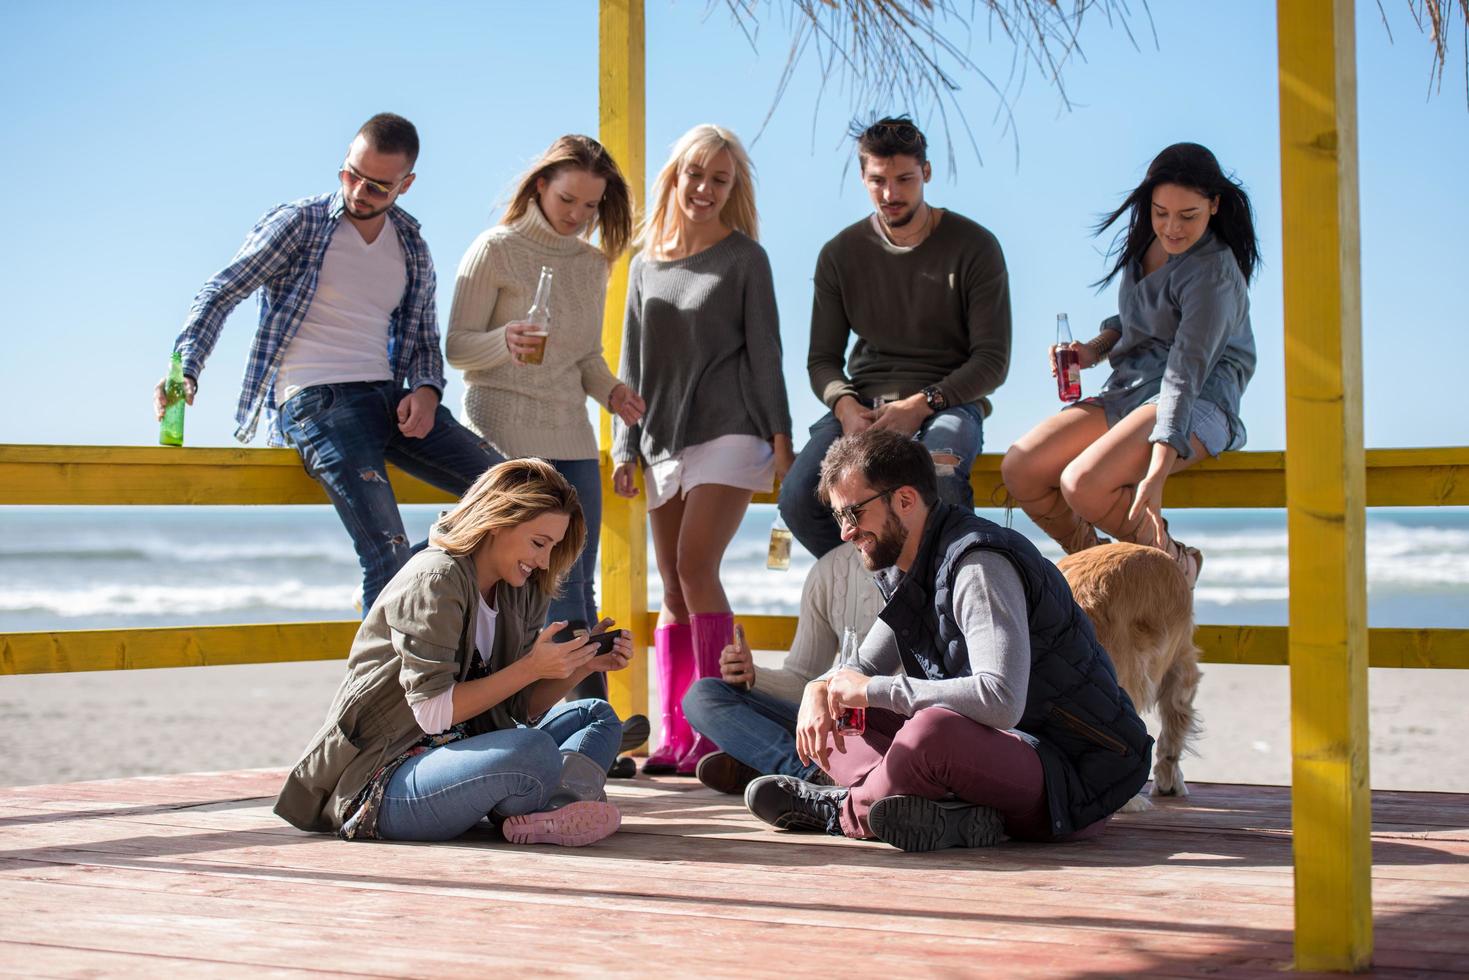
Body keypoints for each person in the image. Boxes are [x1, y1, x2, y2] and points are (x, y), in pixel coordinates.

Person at [744, 429, 1153, 853]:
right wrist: (820, 688)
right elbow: (860, 670)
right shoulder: (910, 572)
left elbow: (1000, 699)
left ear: (905, 500)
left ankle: (841, 811)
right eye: (839, 518)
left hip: (1071, 778)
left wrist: (870, 690)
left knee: (929, 732)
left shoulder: (977, 565)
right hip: (998, 759)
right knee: (838, 716)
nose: (846, 533)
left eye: (854, 514)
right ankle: (954, 815)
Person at [155, 113, 501, 613]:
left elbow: (424, 339)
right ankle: (378, 690)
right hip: (316, 399)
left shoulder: (410, 245)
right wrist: (187, 366)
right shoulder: (300, 223)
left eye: (378, 186)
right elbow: (220, 291)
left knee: (515, 489)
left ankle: (433, 566)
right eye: (350, 174)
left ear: (406, 184)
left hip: (388, 398)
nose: (359, 191)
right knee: (386, 553)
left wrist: (426, 391)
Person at [274, 458, 632, 846]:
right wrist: (531, 667)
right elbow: (431, 713)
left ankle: (552, 809)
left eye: (553, 547)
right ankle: (556, 802)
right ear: (499, 520)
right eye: (538, 543)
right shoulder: (436, 578)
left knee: (597, 715)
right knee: (535, 751)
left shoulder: (522, 587)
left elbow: (516, 708)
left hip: (461, 752)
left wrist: (579, 667)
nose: (544, 561)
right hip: (388, 776)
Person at [444, 134, 648, 746]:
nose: (578, 215)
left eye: (591, 206)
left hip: (571, 428)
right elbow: (456, 346)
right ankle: (521, 721)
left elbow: (585, 356)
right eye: (568, 200)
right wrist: (503, 338)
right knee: (518, 573)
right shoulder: (494, 250)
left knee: (576, 578)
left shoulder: (593, 264)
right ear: (540, 185)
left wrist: (611, 391)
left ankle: (595, 729)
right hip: (501, 418)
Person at [611, 124, 794, 775]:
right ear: (676, 176)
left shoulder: (746, 257)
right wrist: (622, 447)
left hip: (732, 429)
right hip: (661, 438)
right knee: (672, 585)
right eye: (697, 175)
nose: (706, 189)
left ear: (731, 189)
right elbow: (629, 367)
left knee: (694, 566)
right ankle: (674, 734)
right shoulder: (643, 264)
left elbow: (766, 351)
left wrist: (781, 439)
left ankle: (716, 726)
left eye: (720, 180)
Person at [1000, 143, 1259, 587]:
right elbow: (1135, 320)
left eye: (1188, 215)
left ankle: (1178, 565)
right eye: (1161, 213)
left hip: (1199, 397)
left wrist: (1156, 474)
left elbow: (1185, 372)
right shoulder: (1146, 244)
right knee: (1020, 469)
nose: (1172, 228)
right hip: (1134, 387)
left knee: (1083, 484)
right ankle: (1104, 576)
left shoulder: (1213, 272)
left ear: (1214, 206)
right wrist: (1092, 351)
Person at [777, 115, 1012, 560]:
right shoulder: (839, 254)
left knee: (939, 476)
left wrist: (920, 405)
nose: (891, 193)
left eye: (904, 178)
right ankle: (878, 592)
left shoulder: (976, 245)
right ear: (862, 178)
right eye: (877, 180)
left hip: (947, 403)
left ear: (926, 172)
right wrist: (845, 406)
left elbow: (992, 361)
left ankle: (948, 605)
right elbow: (822, 361)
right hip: (863, 408)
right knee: (798, 497)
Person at [682, 543, 881, 794]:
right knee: (702, 696)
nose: (846, 529)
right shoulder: (829, 569)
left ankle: (771, 768)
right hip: (838, 722)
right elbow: (803, 678)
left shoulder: (922, 563)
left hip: (894, 725)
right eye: (840, 513)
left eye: (855, 512)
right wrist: (753, 676)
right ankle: (812, 775)